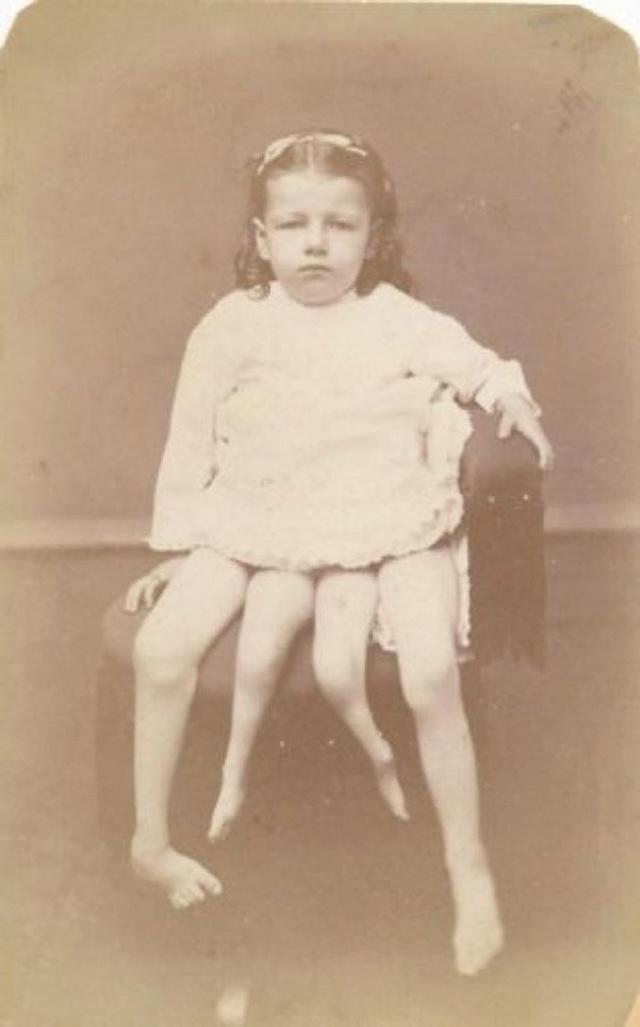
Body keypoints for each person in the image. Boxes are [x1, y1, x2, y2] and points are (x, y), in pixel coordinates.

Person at [126, 129, 552, 976]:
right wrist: (183, 544)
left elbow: (480, 367)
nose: (315, 243)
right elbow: (189, 442)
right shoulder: (232, 325)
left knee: (429, 671)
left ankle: (469, 866)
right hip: (258, 514)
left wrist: (513, 399)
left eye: (340, 225)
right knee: (160, 648)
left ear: (372, 236)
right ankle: (151, 842)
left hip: (382, 512)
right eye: (293, 225)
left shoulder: (395, 318)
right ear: (262, 238)